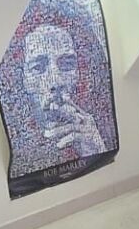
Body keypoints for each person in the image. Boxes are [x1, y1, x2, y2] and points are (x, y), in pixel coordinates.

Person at [21, 23, 106, 156]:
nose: (56, 82)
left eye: (67, 64)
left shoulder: (96, 131)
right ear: (22, 79)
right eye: (37, 67)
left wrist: (96, 151)